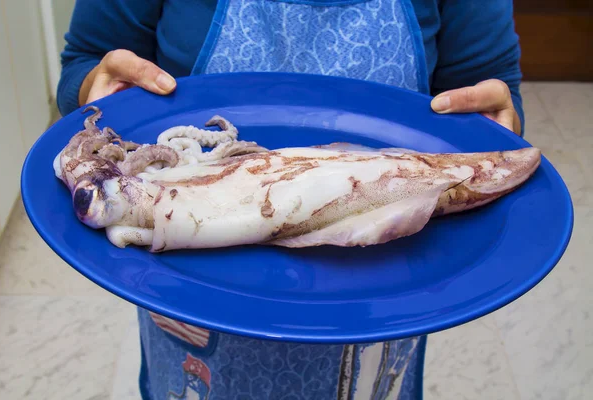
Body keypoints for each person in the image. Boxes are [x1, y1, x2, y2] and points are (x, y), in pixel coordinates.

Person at [57, 1, 525, 399]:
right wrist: (98, 83)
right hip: (187, 296)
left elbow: (491, 88)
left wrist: (489, 123)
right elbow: (86, 60)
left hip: (382, 291)